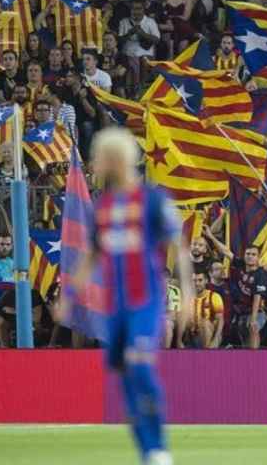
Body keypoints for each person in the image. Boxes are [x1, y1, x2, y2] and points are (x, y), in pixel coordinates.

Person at [79, 127, 192, 465]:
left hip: (146, 299)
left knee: (140, 366)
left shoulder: (154, 200)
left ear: (114, 159)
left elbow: (180, 248)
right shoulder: (103, 207)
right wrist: (71, 292)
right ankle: (148, 452)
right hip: (115, 306)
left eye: (98, 157)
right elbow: (93, 254)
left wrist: (188, 293)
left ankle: (159, 448)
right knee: (125, 374)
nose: (95, 165)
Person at [186, 271, 224, 348]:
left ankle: (206, 352)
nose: (197, 283)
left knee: (205, 322)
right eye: (194, 281)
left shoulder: (214, 296)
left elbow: (220, 320)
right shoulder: (188, 298)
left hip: (211, 336)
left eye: (200, 280)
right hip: (192, 335)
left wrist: (216, 339)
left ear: (206, 281)